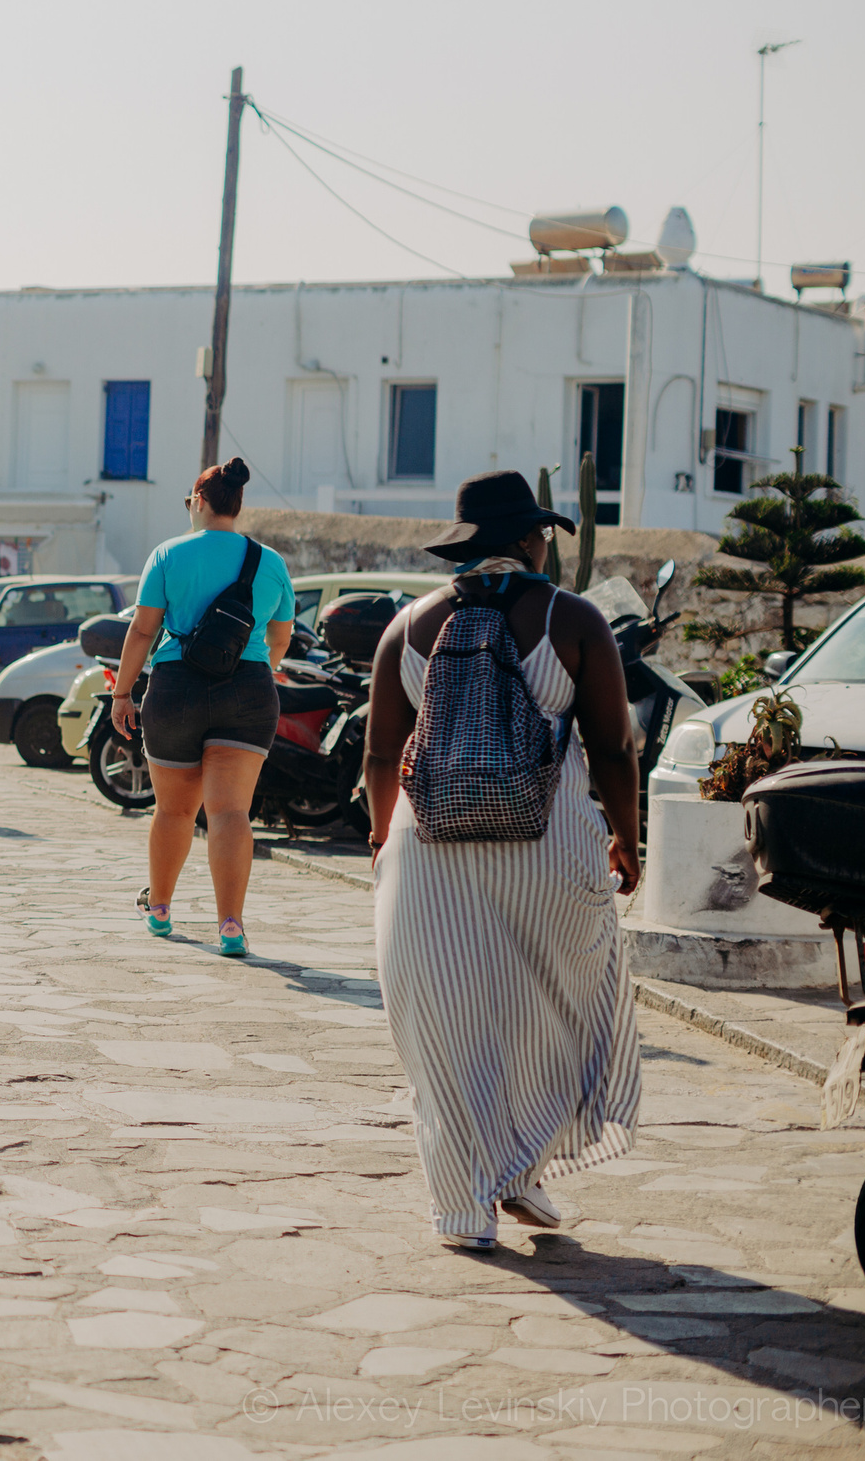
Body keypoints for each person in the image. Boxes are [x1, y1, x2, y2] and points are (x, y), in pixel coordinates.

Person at [365, 470, 642, 1251]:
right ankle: (521, 1166)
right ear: (528, 540)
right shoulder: (575, 618)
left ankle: (468, 1202)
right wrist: (627, 834)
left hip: (428, 853)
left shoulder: (409, 626)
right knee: (549, 1011)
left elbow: (383, 753)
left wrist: (384, 840)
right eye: (545, 536)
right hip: (548, 848)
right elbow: (614, 747)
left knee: (447, 1027)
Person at [108, 459, 295, 958]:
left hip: (176, 689)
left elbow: (143, 630)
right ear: (237, 504)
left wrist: (122, 693)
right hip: (249, 689)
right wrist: (259, 666)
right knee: (231, 811)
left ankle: (162, 908)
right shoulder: (270, 561)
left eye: (191, 502)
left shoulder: (167, 554)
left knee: (172, 808)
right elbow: (281, 634)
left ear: (201, 501)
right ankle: (231, 925)